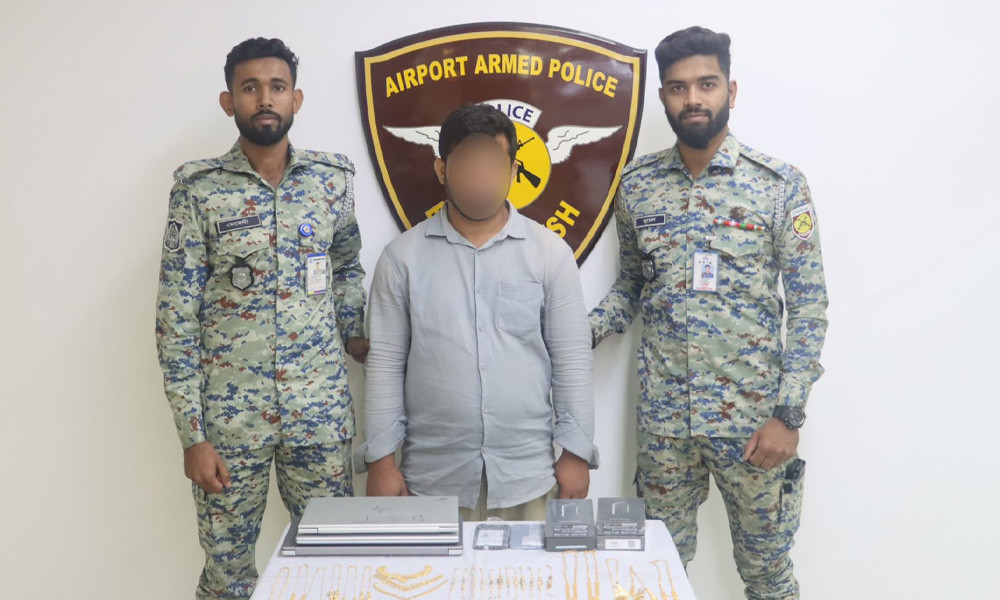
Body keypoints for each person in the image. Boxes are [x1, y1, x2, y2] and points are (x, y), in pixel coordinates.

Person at [589, 26, 828, 600]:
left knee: (768, 579)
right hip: (665, 427)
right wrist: (576, 332)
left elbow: (809, 306)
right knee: (654, 575)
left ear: (731, 91)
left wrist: (788, 415)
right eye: (678, 87)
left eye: (707, 84)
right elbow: (632, 285)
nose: (692, 98)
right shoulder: (637, 186)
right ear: (663, 98)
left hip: (754, 425)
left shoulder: (778, 186)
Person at [155, 37, 368, 599]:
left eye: (277, 87)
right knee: (228, 577)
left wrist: (354, 331)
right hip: (231, 425)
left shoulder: (331, 181)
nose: (265, 99)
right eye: (250, 88)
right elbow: (175, 319)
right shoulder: (198, 191)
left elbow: (347, 265)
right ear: (229, 102)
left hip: (318, 414)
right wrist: (193, 436)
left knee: (333, 566)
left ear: (297, 98)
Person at [357, 104, 598, 521]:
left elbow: (572, 358)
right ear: (442, 170)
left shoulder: (549, 254)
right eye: (468, 164)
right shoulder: (401, 259)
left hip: (528, 476)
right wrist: (380, 460)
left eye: (493, 164)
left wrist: (576, 452)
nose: (481, 177)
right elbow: (385, 365)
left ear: (513, 170)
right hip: (432, 480)